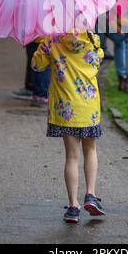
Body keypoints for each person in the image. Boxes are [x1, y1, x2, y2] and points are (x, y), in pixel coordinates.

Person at [32, 31, 106, 223]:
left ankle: (73, 206)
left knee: (71, 156)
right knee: (90, 150)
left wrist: (41, 44)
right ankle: (91, 194)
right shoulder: (92, 39)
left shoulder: (50, 40)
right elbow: (98, 62)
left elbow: (36, 65)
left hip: (66, 109)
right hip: (88, 106)